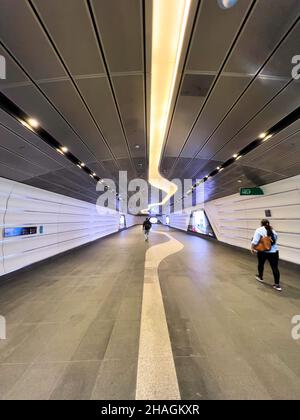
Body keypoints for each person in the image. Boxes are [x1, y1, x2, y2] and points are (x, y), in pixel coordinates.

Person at [251, 219, 282, 292]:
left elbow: (255, 240)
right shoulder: (273, 230)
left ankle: (260, 277)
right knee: (275, 267)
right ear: (268, 223)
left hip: (263, 251)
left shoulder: (259, 230)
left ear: (261, 224)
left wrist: (252, 247)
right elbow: (275, 240)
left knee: (261, 264)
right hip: (274, 252)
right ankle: (277, 285)